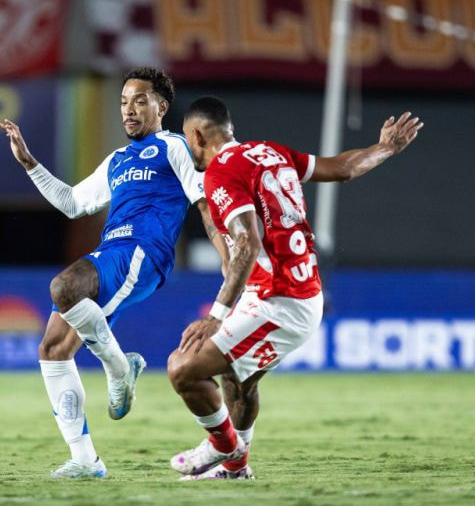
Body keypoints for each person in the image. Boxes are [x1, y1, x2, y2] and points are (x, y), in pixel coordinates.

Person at [167, 97, 423, 480]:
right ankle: (236, 470)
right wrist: (384, 147)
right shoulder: (270, 152)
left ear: (197, 135)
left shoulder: (221, 170)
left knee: (183, 368)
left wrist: (216, 315)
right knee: (238, 379)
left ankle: (224, 445)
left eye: (189, 140)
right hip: (292, 291)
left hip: (279, 300)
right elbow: (342, 169)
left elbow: (248, 243)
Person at [0, 68, 227, 478]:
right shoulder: (116, 160)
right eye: (123, 102)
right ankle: (86, 459)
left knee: (64, 285)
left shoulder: (174, 146)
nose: (129, 110)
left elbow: (203, 202)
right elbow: (71, 202)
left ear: (161, 107)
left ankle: (119, 368)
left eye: (140, 100)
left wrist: (227, 255)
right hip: (110, 253)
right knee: (53, 349)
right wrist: (29, 162)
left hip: (143, 253)